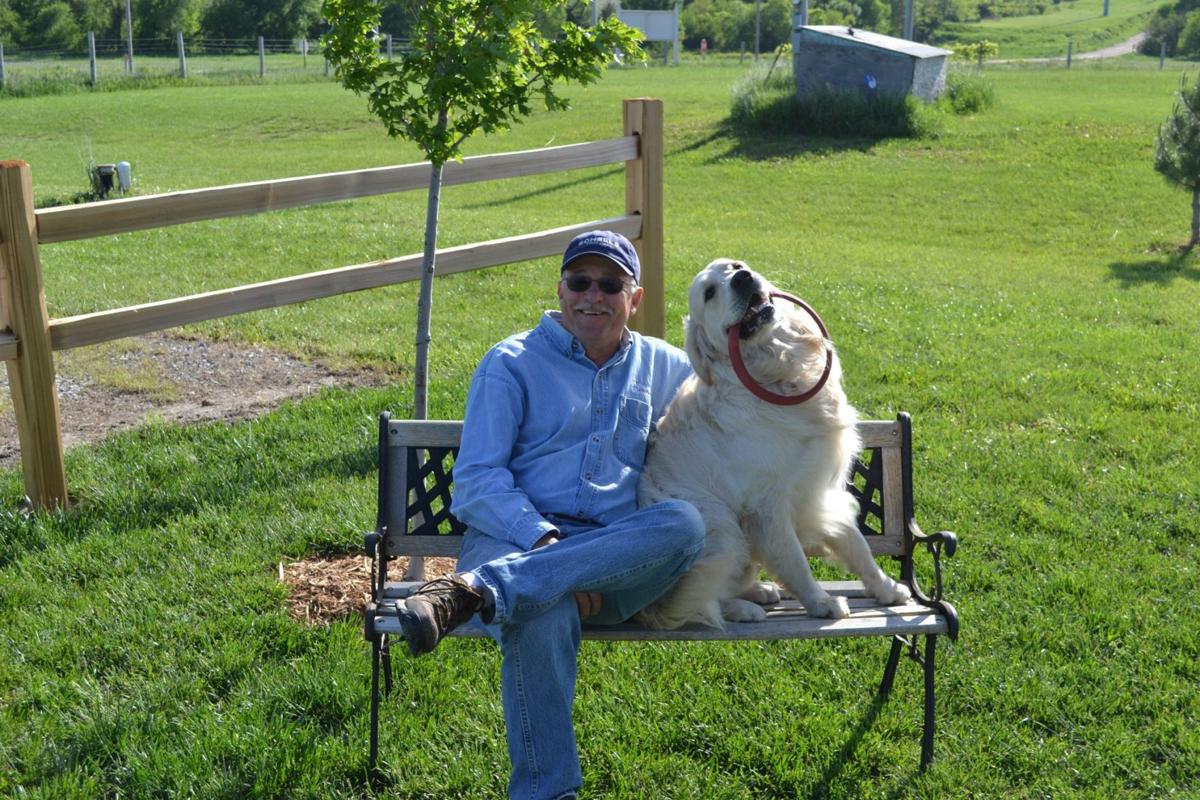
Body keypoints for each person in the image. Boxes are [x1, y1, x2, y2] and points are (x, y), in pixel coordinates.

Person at [395, 230, 705, 800]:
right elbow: (477, 482)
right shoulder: (509, 363)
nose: (593, 295)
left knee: (684, 524)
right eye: (579, 282)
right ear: (560, 290)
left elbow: (731, 405)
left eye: (609, 284)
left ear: (634, 298)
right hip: (512, 537)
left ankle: (475, 591)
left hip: (615, 559)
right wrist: (546, 547)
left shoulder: (668, 367)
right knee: (543, 607)